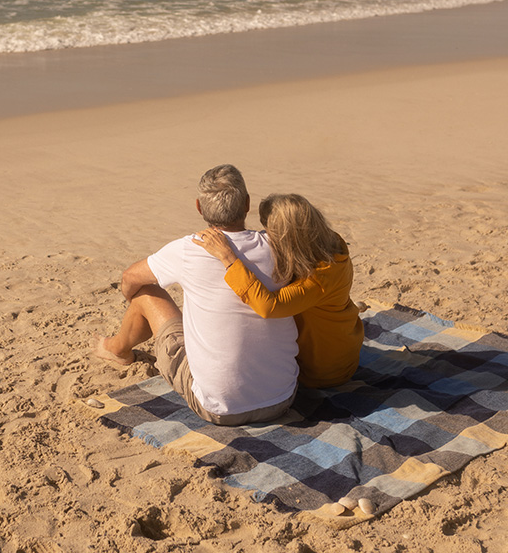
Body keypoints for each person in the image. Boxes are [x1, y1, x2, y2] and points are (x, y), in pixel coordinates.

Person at [93, 165, 299, 426]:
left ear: (200, 208)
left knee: (145, 293)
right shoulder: (277, 245)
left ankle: (116, 349)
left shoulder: (188, 250)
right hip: (282, 397)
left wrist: (132, 303)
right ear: (247, 204)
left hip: (220, 408)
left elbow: (128, 279)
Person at [193, 193, 363, 389]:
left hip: (324, 371)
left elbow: (269, 306)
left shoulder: (322, 277)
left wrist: (229, 258)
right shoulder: (326, 242)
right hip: (342, 345)